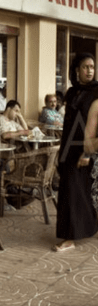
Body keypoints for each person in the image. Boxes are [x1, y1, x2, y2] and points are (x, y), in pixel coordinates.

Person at [54, 52, 98, 252]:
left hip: (85, 150)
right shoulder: (72, 92)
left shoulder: (96, 93)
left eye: (92, 67)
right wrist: (60, 152)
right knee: (70, 192)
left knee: (76, 192)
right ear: (76, 70)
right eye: (85, 67)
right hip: (68, 149)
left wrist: (88, 153)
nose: (90, 71)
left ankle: (70, 238)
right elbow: (68, 124)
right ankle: (81, 229)